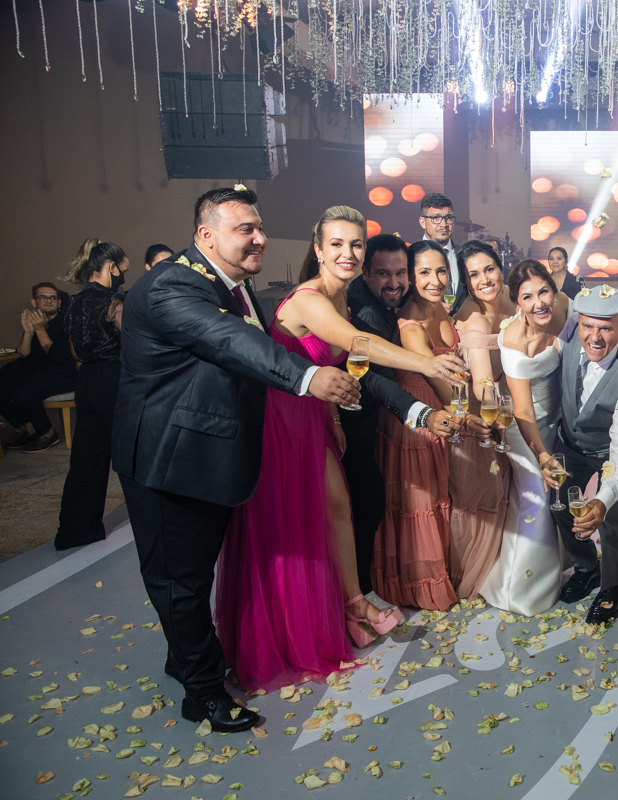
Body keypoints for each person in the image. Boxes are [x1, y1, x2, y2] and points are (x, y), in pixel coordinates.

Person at [112, 187, 363, 732]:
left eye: (259, 228)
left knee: (194, 574)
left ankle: (187, 659)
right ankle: (202, 694)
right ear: (206, 236)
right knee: (180, 582)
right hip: (167, 459)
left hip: (208, 452)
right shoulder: (171, 286)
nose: (259, 239)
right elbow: (228, 340)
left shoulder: (234, 284)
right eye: (244, 229)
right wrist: (308, 376)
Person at [214, 206, 463, 691]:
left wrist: (331, 417)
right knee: (295, 526)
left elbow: (335, 366)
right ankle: (295, 630)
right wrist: (427, 364)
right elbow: (355, 342)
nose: (348, 253)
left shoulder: (341, 297)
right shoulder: (309, 300)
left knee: (339, 510)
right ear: (319, 250)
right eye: (338, 244)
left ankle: (353, 604)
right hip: (280, 423)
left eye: (355, 245)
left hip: (313, 419)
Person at [374, 240, 472, 611]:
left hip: (442, 417)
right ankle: (420, 587)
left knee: (439, 500)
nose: (435, 280)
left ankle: (443, 573)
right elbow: (440, 385)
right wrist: (474, 418)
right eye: (425, 272)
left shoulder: (441, 308)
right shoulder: (411, 324)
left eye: (441, 270)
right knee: (420, 508)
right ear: (411, 277)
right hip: (416, 423)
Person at [546, 284, 618, 625]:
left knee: (611, 517)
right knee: (559, 504)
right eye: (588, 325)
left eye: (605, 328)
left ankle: (612, 586)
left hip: (609, 452)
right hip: (570, 446)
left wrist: (602, 501)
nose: (595, 337)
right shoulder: (569, 335)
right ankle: (587, 566)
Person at [480, 260, 572, 616]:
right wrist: (542, 454)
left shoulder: (562, 308)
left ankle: (556, 570)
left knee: (556, 496)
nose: (539, 303)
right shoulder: (514, 341)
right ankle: (520, 590)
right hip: (525, 430)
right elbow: (524, 412)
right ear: (517, 302)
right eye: (528, 297)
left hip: (558, 421)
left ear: (554, 290)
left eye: (544, 292)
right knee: (536, 498)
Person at [341, 232, 409, 597]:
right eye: (383, 273)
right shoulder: (363, 312)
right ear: (365, 272)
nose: (393, 282)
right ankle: (359, 594)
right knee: (365, 504)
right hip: (350, 423)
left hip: (371, 421)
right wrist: (418, 410)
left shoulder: (382, 300)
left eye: (400, 273)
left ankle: (361, 591)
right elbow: (375, 377)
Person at [447, 240, 516, 599]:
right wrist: (498, 412)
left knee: (508, 487)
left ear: (501, 267)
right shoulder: (473, 317)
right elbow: (482, 382)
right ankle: (473, 574)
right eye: (474, 275)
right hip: (479, 409)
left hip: (513, 397)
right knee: (481, 490)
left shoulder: (515, 300)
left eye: (489, 269)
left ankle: (508, 567)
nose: (484, 279)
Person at [54, 240, 128, 548]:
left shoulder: (73, 305)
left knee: (86, 458)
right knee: (131, 455)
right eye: (123, 270)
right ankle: (152, 523)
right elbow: (133, 340)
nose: (123, 275)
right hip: (115, 378)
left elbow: (74, 350)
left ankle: (75, 532)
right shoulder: (114, 301)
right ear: (111, 268)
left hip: (85, 381)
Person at [0, 283, 77, 452]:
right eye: (43, 297)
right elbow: (23, 355)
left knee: (24, 392)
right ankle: (30, 428)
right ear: (34, 302)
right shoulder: (35, 321)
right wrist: (28, 333)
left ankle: (48, 433)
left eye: (53, 298)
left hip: (63, 375)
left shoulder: (67, 322)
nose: (48, 301)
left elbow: (56, 358)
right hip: (36, 373)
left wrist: (40, 329)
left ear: (59, 302)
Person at [418, 193, 466, 315]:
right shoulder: (410, 255)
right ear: (422, 222)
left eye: (448, 218)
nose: (443, 224)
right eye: (436, 218)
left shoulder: (464, 256)